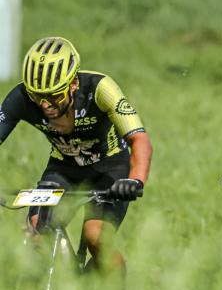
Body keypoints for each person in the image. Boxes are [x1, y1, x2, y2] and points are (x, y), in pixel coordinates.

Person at [0, 36, 153, 272]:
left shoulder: (100, 88)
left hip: (110, 167)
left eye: (54, 96)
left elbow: (139, 139)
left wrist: (135, 180)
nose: (45, 105)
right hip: (64, 168)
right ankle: (68, 282)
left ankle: (117, 285)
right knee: (38, 231)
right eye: (37, 97)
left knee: (95, 237)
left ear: (73, 84)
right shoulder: (20, 97)